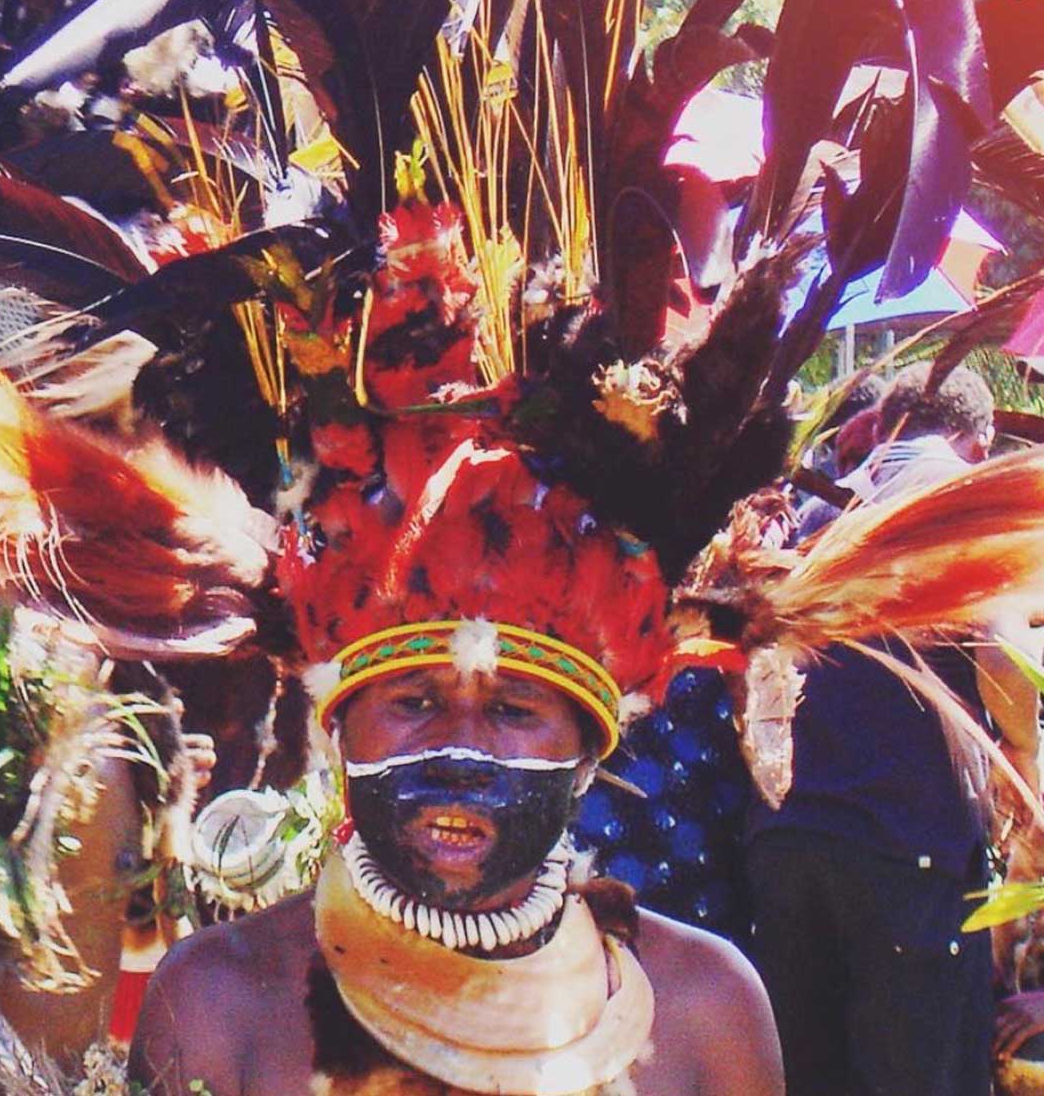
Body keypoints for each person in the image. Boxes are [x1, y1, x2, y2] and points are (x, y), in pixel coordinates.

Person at [129, 408, 784, 1096]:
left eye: (513, 710)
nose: (461, 753)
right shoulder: (220, 1003)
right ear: (338, 732)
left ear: (587, 754)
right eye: (413, 703)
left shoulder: (705, 1007)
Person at [744, 361, 1041, 1096]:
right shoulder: (952, 507)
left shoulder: (816, 512)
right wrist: (1025, 755)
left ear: (885, 427)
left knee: (811, 1078)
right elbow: (1002, 652)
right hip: (904, 846)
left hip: (781, 844)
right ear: (977, 444)